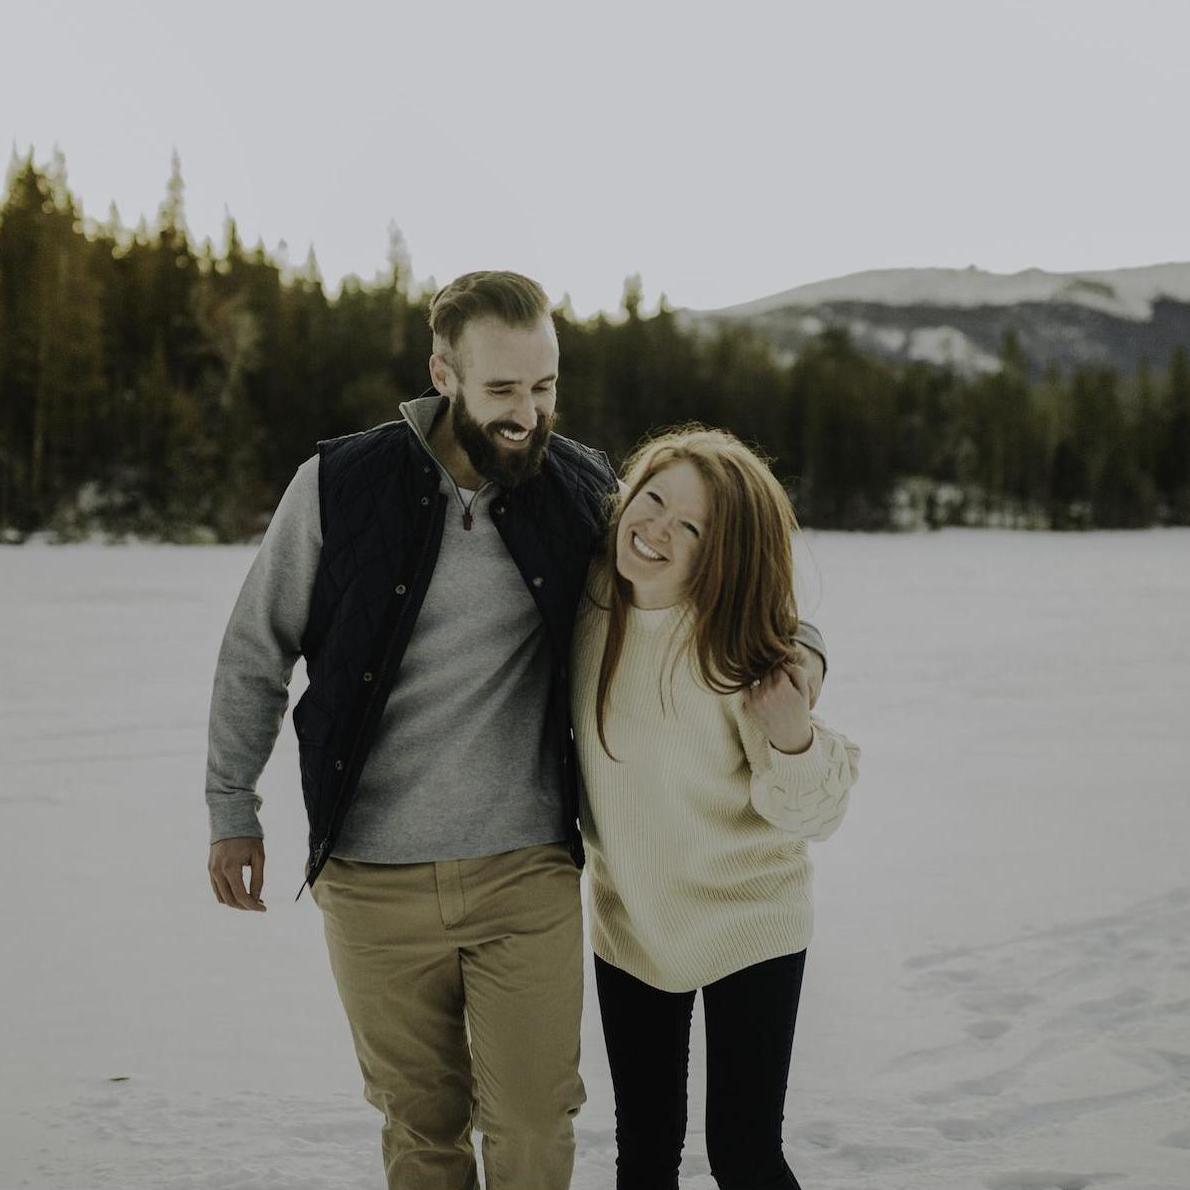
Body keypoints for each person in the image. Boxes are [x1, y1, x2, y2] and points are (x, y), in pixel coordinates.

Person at [204, 270, 827, 1189]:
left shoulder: (577, 487)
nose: (527, 415)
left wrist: (801, 653)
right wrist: (231, 807)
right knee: (422, 1131)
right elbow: (258, 649)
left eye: (544, 389)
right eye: (502, 391)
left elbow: (702, 572)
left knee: (535, 1130)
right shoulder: (340, 485)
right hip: (372, 880)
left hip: (525, 871)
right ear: (442, 373)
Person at [571, 426, 859, 1190]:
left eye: (690, 526)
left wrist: (793, 735)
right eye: (653, 499)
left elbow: (814, 814)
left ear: (719, 555)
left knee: (743, 1153)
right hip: (631, 920)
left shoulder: (742, 654)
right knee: (644, 1153)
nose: (657, 528)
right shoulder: (585, 597)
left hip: (749, 923)